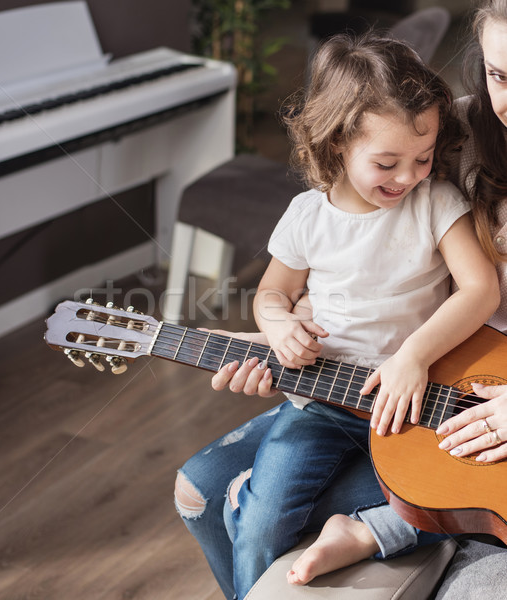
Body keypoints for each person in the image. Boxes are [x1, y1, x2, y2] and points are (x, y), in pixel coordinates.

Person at [174, 32, 500, 600]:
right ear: (337, 144)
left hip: (417, 398)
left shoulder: (437, 201)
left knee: (453, 497)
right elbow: (272, 293)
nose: (410, 176)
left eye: (423, 157)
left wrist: (413, 357)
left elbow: (480, 291)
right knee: (260, 517)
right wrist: (276, 327)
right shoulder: (305, 217)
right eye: (387, 162)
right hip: (322, 404)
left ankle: (365, 534)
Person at [283, 0, 507, 587]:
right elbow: (364, 258)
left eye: (420, 163)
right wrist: (292, 320)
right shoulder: (447, 130)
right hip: (459, 376)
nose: (506, 102)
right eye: (499, 74)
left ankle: (377, 530)